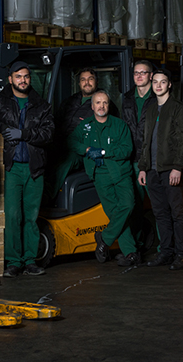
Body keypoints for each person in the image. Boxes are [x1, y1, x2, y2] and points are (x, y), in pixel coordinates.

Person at [0, 61, 54, 278]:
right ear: (10, 79)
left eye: (26, 76)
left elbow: (48, 134)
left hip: (34, 168)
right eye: (18, 76)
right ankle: (13, 261)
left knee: (31, 216)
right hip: (11, 168)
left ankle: (30, 260)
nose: (23, 80)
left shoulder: (42, 105)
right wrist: (3, 128)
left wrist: (23, 134)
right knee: (12, 216)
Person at [69, 90, 140, 267]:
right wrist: (87, 150)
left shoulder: (119, 125)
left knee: (128, 205)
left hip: (121, 173)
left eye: (105, 103)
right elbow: (71, 141)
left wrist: (102, 152)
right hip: (100, 176)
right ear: (92, 106)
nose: (101, 106)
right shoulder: (85, 126)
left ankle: (104, 238)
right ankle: (130, 253)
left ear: (109, 105)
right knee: (115, 214)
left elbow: (127, 150)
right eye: (98, 103)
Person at [137, 69, 183, 270]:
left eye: (163, 82)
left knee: (178, 213)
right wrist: (143, 168)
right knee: (160, 213)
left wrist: (178, 167)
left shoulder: (179, 109)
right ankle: (166, 252)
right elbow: (146, 141)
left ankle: (182, 254)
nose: (158, 85)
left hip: (171, 170)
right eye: (155, 82)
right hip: (152, 171)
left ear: (169, 84)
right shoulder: (151, 109)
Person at [46, 68, 117, 201]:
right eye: (83, 80)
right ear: (79, 83)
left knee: (66, 161)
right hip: (62, 143)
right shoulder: (71, 101)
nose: (87, 83)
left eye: (90, 79)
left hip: (82, 148)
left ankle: (47, 197)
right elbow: (57, 121)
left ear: (96, 81)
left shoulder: (103, 104)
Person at [122, 60, 157, 248]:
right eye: (136, 73)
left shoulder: (158, 96)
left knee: (159, 205)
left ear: (150, 75)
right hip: (131, 158)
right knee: (134, 205)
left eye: (143, 72)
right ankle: (135, 247)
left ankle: (165, 249)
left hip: (151, 159)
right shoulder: (127, 98)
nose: (139, 76)